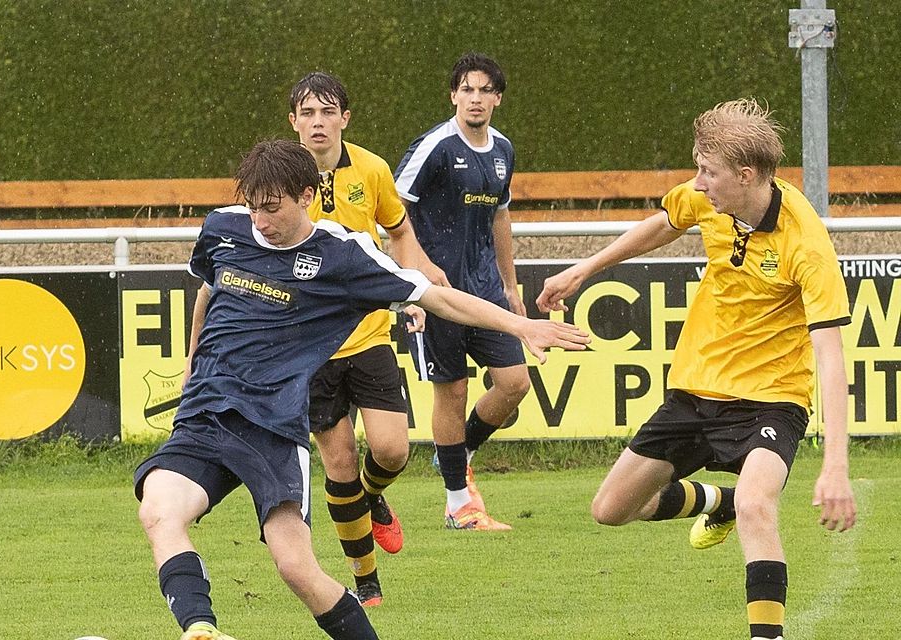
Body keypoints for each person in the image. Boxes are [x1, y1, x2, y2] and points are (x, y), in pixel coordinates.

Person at [136, 139, 590, 640]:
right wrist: (191, 364)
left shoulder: (342, 255)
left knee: (296, 569)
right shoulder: (223, 228)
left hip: (271, 429)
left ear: (306, 195)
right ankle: (201, 629)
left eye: (272, 209)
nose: (260, 221)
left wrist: (521, 327)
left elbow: (438, 297)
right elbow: (208, 292)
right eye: (253, 207)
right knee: (158, 510)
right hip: (204, 417)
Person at [536, 99, 857, 640]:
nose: (698, 184)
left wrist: (836, 466)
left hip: (770, 399)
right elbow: (664, 223)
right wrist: (584, 269)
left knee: (759, 505)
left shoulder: (806, 243)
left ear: (746, 176)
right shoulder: (711, 196)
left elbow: (830, 354)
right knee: (611, 509)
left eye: (708, 173)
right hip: (694, 391)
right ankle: (718, 500)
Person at [286, 71, 446, 607]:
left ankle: (373, 499)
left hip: (370, 335)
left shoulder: (373, 169)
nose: (317, 123)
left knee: (391, 449)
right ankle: (365, 581)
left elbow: (399, 231)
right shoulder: (280, 177)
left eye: (327, 112)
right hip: (311, 349)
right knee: (338, 467)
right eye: (307, 113)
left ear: (344, 119)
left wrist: (412, 293)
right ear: (294, 123)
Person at [394, 52, 527, 531]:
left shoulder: (503, 150)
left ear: (497, 99)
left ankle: (459, 450)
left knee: (514, 383)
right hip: (437, 295)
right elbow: (393, 212)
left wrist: (511, 287)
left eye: (484, 90)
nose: (475, 98)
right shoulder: (434, 146)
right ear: (453, 95)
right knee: (451, 392)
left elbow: (500, 216)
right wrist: (418, 278)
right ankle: (458, 504)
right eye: (466, 89)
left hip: (486, 291)